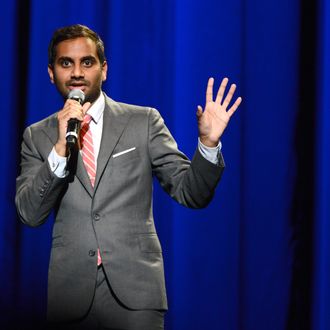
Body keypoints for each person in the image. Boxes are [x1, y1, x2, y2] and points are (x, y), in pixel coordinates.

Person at [15, 24, 242, 330]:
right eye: (66, 63)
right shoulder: (37, 136)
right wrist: (59, 147)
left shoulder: (143, 121)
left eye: (88, 62)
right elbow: (30, 214)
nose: (77, 73)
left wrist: (208, 145)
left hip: (136, 295)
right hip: (69, 298)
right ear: (51, 73)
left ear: (104, 69)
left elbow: (192, 193)